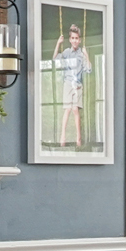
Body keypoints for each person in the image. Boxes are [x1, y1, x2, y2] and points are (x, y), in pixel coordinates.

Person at [50, 18, 91, 151]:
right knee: (67, 109)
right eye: (72, 38)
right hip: (68, 83)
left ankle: (78, 138)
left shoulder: (81, 54)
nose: (74, 40)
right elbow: (55, 59)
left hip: (77, 84)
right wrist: (58, 43)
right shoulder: (67, 52)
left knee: (75, 110)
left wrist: (87, 55)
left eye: (76, 38)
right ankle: (63, 136)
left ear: (79, 40)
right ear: (70, 39)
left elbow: (88, 69)